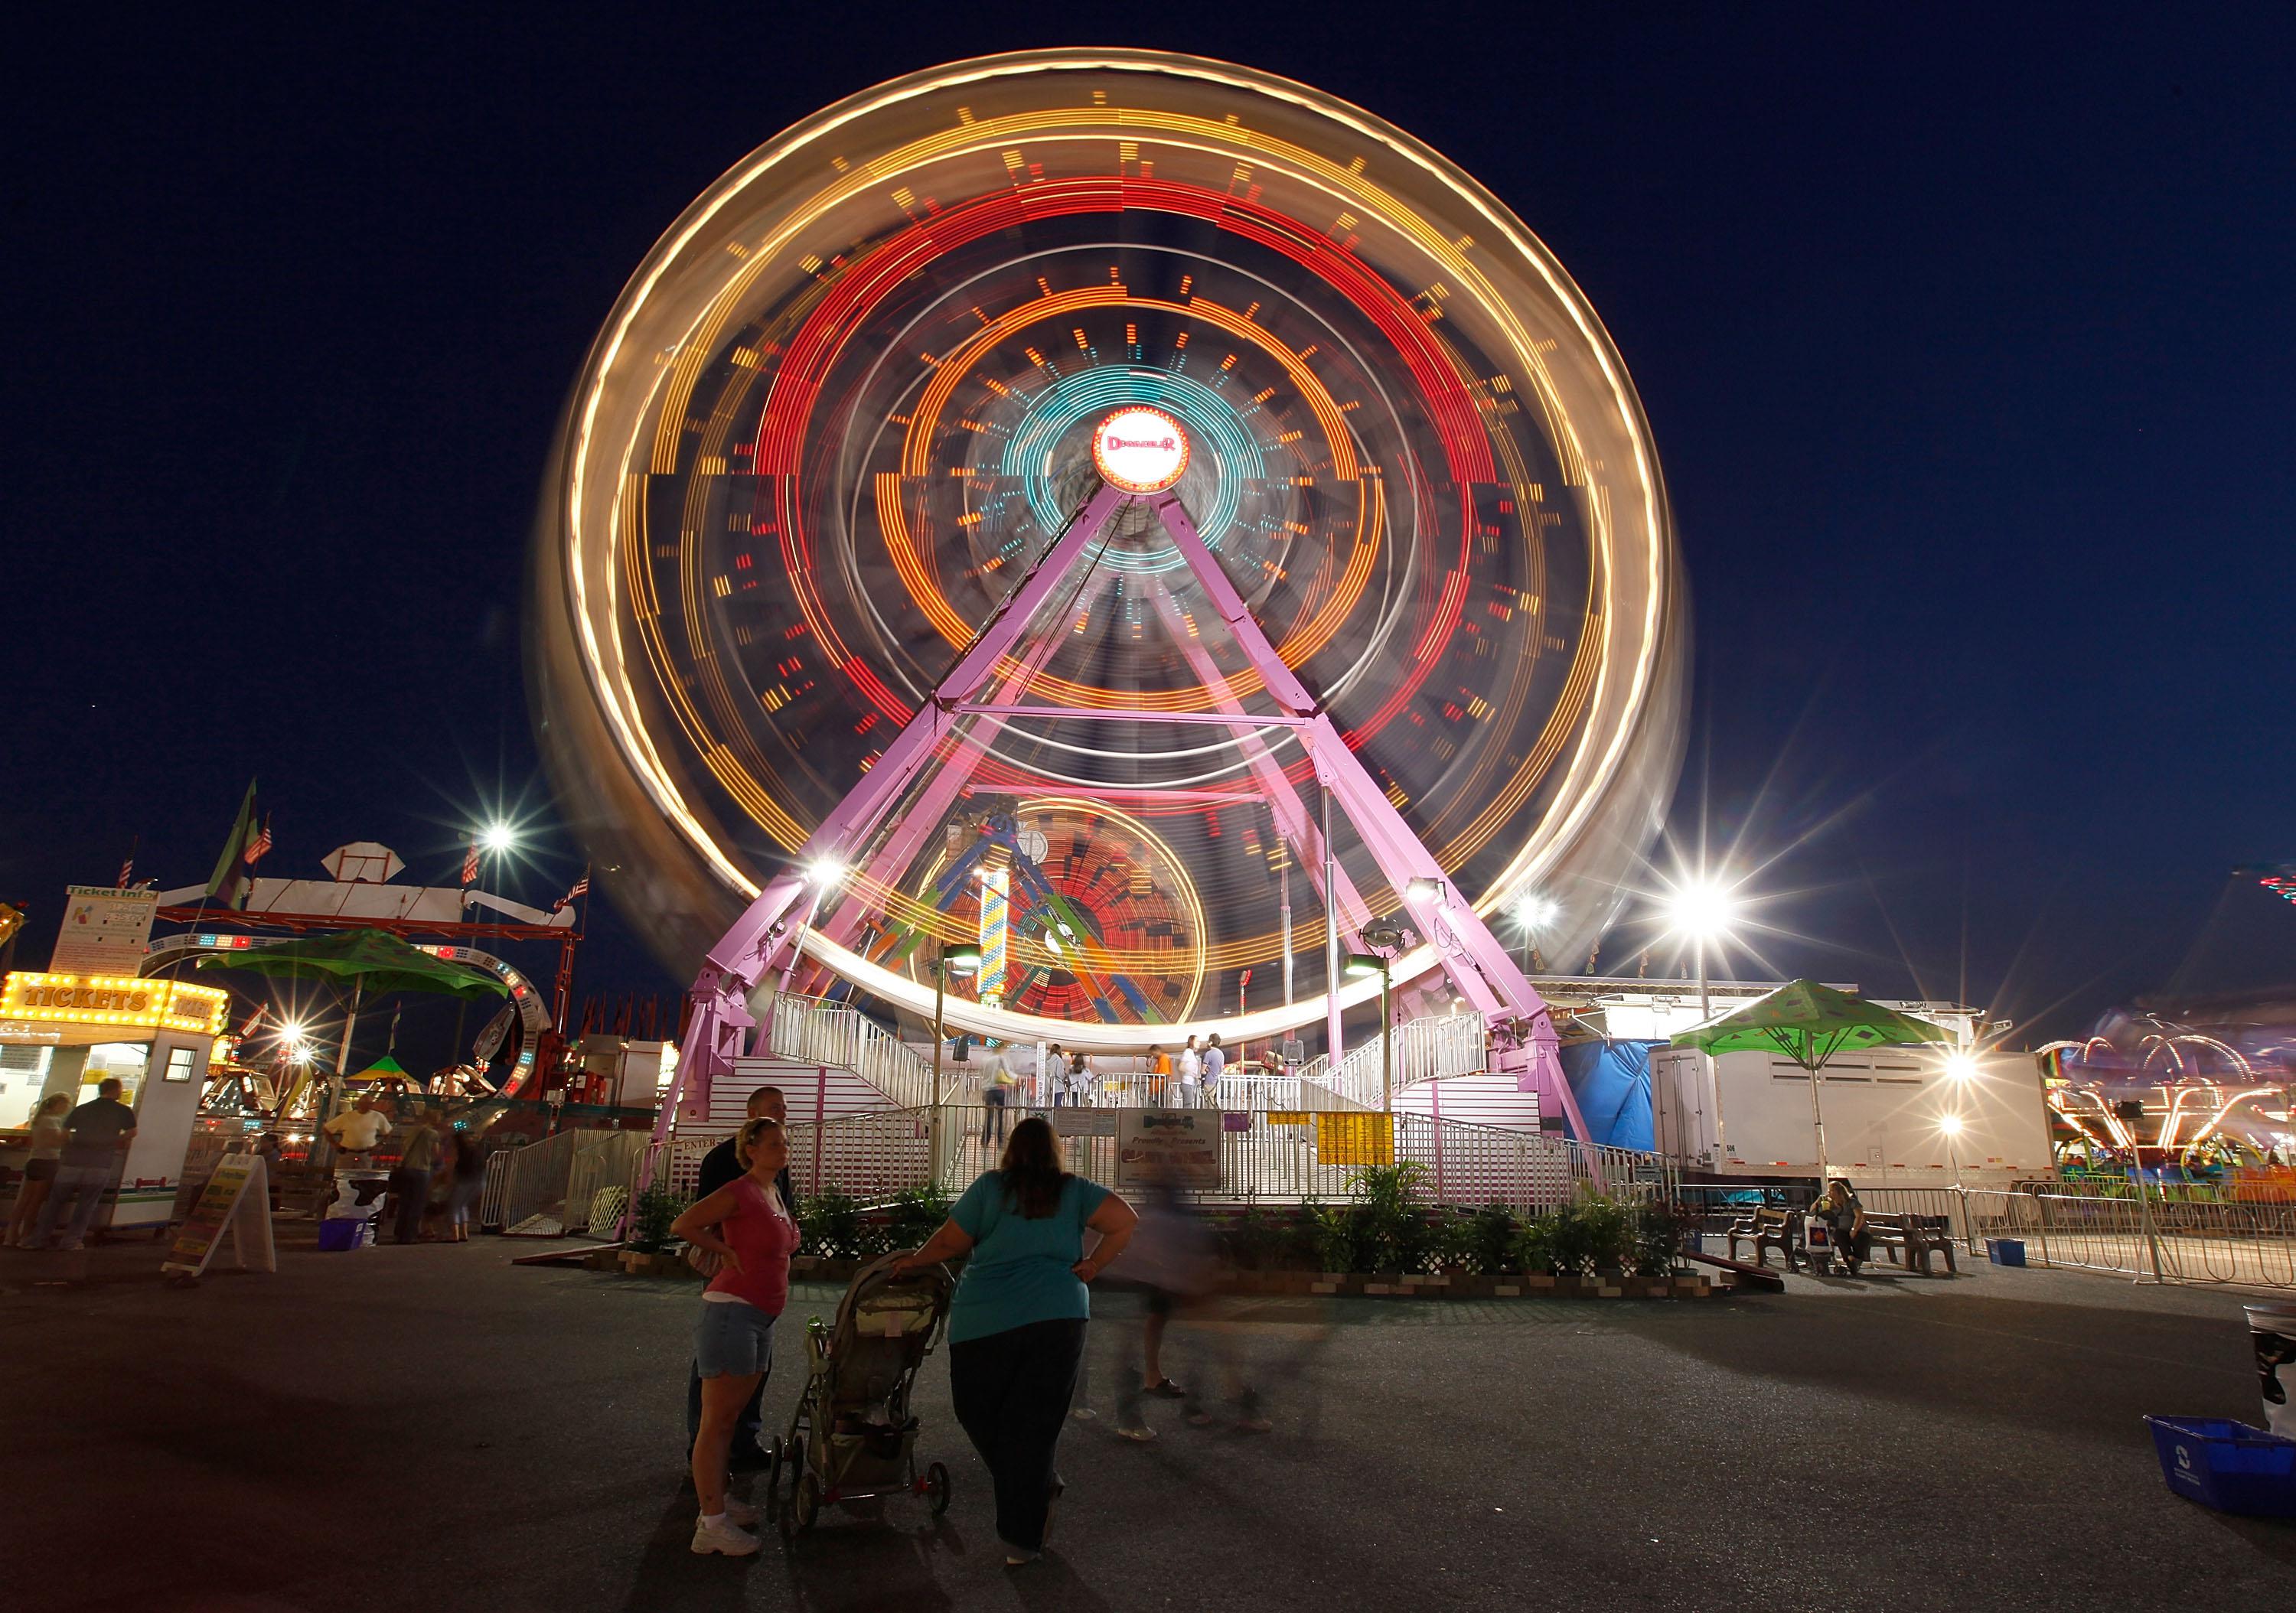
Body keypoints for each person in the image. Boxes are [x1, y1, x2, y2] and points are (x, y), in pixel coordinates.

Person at [894, 1117, 1139, 1565]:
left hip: (984, 1319)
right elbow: (1125, 1220)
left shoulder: (990, 1188)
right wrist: (1094, 1265)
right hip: (1059, 1317)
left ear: (1011, 1150)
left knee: (976, 1411)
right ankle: (1026, 1523)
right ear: (1054, 1151)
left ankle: (1024, 1524)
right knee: (1034, 1425)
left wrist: (915, 1260)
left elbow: (950, 1241)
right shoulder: (1074, 1190)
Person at [671, 1115, 800, 1558]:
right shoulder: (740, 1191)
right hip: (732, 1313)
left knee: (731, 1417)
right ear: (751, 1150)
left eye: (785, 1144)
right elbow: (684, 1224)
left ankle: (717, 1503)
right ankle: (711, 1525)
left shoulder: (773, 1192)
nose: (783, 1151)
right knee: (717, 1421)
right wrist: (723, 1250)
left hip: (760, 1317)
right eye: (774, 1144)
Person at [685, 1086, 794, 1467]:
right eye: (773, 1108)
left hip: (764, 1289)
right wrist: (726, 1251)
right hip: (733, 1284)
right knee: (717, 1370)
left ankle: (742, 1441)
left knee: (753, 1366)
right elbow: (697, 1219)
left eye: (783, 1108)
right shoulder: (724, 1162)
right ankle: (705, 1452)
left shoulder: (776, 1172)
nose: (782, 1113)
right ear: (751, 1116)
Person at [31, 1078, 138, 1251]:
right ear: (116, 1090)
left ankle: (39, 1239)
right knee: (86, 1205)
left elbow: (64, 1133)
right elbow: (132, 1132)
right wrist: (113, 1140)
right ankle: (71, 1241)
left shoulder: (82, 1108)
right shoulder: (123, 1111)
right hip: (100, 1163)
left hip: (72, 1163)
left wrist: (76, 1142)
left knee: (55, 1202)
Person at [8, 1093, 71, 1246]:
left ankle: (11, 1235)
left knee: (24, 1200)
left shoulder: (38, 1119)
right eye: (66, 1105)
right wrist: (67, 1134)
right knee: (36, 1202)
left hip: (34, 1160)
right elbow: (55, 1142)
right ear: (59, 1105)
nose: (67, 1108)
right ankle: (26, 1236)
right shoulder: (52, 1121)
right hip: (47, 1162)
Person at [387, 1113, 445, 1243]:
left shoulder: (411, 1131)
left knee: (404, 1203)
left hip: (407, 1169)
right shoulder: (433, 1134)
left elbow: (403, 1147)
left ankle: (399, 1233)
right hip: (422, 1170)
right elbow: (436, 1154)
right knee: (417, 1204)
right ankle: (409, 1235)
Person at [443, 1122, 488, 1242]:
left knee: (454, 1206)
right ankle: (464, 1233)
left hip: (464, 1181)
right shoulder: (475, 1150)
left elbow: (452, 1166)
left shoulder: (459, 1151)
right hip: (479, 1181)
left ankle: (455, 1235)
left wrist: (449, 1180)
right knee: (463, 1205)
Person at [1815, 1178, 1870, 1274]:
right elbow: (1812, 1211)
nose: (1829, 1193)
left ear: (1838, 1192)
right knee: (1838, 1235)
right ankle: (1850, 1258)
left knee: (1858, 1239)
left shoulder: (1852, 1202)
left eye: (1831, 1191)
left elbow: (1859, 1216)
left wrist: (1854, 1229)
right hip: (1842, 1230)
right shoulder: (1830, 1204)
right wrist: (1817, 1202)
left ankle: (1854, 1262)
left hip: (1858, 1230)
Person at [322, 1093, 390, 1161]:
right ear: (359, 1104)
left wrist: (381, 1145)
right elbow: (327, 1129)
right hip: (347, 1153)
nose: (366, 1106)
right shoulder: (347, 1116)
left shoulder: (378, 1117)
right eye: (364, 1103)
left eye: (369, 1104)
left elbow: (388, 1132)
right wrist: (335, 1144)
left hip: (366, 1154)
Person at [982, 1053, 1015, 1147]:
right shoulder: (1002, 1058)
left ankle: (985, 1140)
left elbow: (984, 1076)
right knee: (1000, 1117)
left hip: (989, 1091)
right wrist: (1016, 1078)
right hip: (999, 1090)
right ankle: (1000, 1140)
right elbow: (1008, 1072)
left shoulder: (987, 1060)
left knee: (989, 1116)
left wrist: (983, 1090)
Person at [1176, 1036, 1203, 1108]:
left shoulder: (1190, 1052)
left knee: (1189, 1105)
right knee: (1188, 1105)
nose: (1199, 1043)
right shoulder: (1188, 1052)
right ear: (1192, 1042)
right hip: (1187, 1082)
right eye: (1197, 1041)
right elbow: (1180, 1067)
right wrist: (1192, 1074)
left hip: (1190, 1083)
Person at [1202, 1033, 1227, 1104]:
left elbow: (1202, 1071)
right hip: (1217, 1082)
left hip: (1209, 1082)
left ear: (1211, 1042)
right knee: (1214, 1103)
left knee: (1208, 1104)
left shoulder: (1209, 1054)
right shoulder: (1221, 1054)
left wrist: (1206, 1071)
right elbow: (1221, 1068)